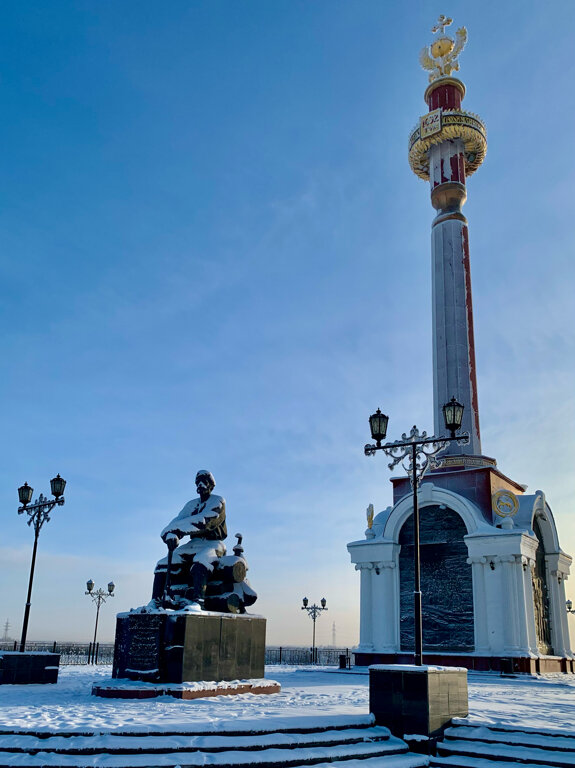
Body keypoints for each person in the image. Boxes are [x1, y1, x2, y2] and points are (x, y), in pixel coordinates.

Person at [151, 470, 227, 607]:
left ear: (211, 485)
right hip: (193, 544)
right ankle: (156, 601)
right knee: (162, 564)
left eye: (205, 482)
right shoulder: (191, 505)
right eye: (198, 482)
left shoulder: (217, 501)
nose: (201, 485)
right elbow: (177, 521)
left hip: (213, 544)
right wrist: (170, 534)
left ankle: (198, 602)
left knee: (201, 561)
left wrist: (177, 529)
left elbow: (204, 521)